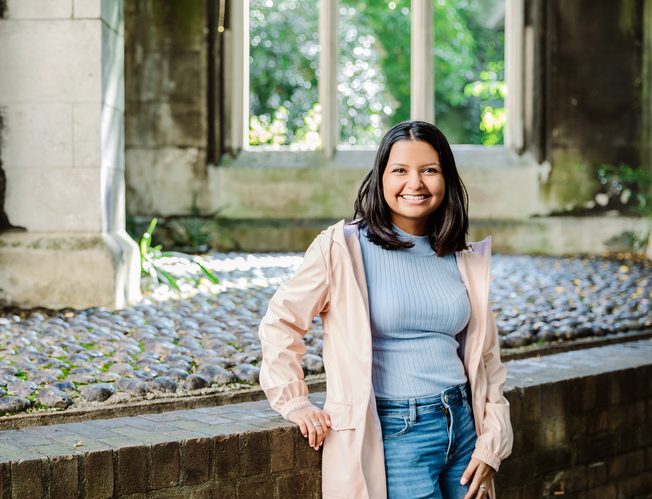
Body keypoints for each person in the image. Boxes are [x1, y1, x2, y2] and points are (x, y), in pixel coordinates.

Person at [258, 120, 513, 499]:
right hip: (395, 432)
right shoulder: (342, 249)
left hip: (463, 425)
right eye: (400, 170)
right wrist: (295, 401)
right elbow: (281, 322)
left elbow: (486, 359)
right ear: (380, 177)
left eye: (429, 170)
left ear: (447, 179)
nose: (416, 183)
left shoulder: (460, 255)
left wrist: (493, 440)